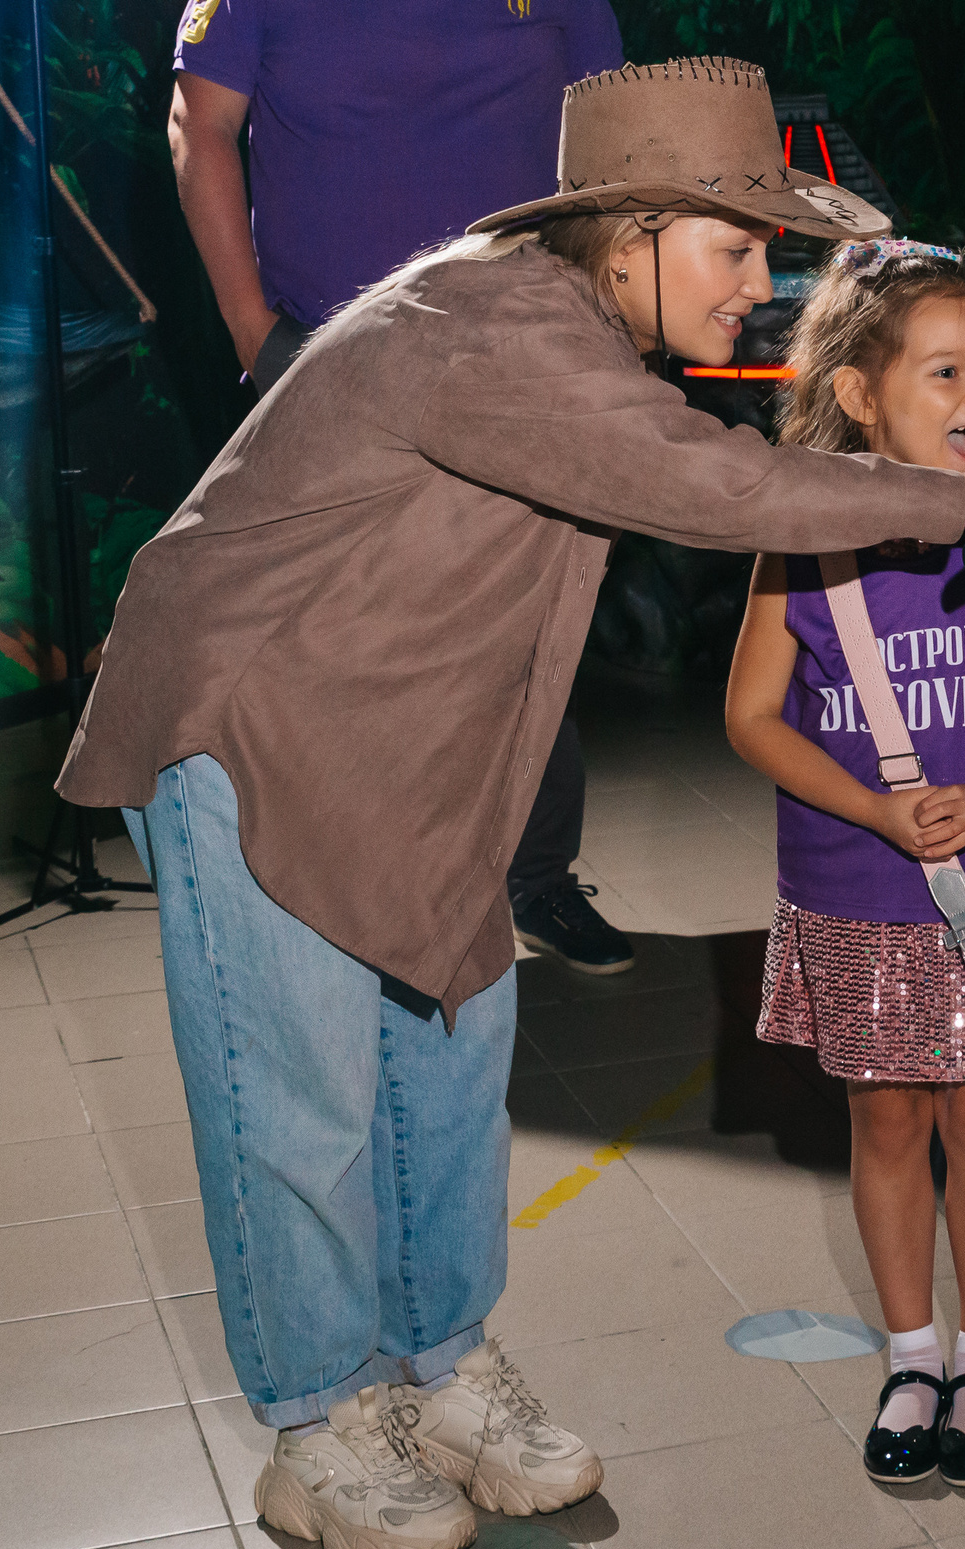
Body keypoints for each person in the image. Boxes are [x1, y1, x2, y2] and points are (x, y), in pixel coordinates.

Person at [57, 60, 965, 1549]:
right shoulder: (493, 325)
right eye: (733, 247)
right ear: (632, 233)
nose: (757, 285)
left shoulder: (573, 332)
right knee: (303, 1110)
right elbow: (716, 491)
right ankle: (320, 1422)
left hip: (409, 756)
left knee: (444, 1070)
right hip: (253, 729)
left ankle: (439, 1368)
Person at [727, 241, 965, 1489]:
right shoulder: (801, 544)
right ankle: (911, 1354)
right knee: (884, 1121)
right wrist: (876, 814)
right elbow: (753, 717)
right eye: (945, 371)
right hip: (857, 889)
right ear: (858, 394)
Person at [169, 0, 638, 975]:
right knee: (343, 641)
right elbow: (199, 124)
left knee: (526, 623)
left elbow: (613, 154)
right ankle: (349, 895)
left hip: (518, 353)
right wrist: (253, 332)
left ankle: (535, 875)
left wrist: (606, 340)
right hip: (329, 360)